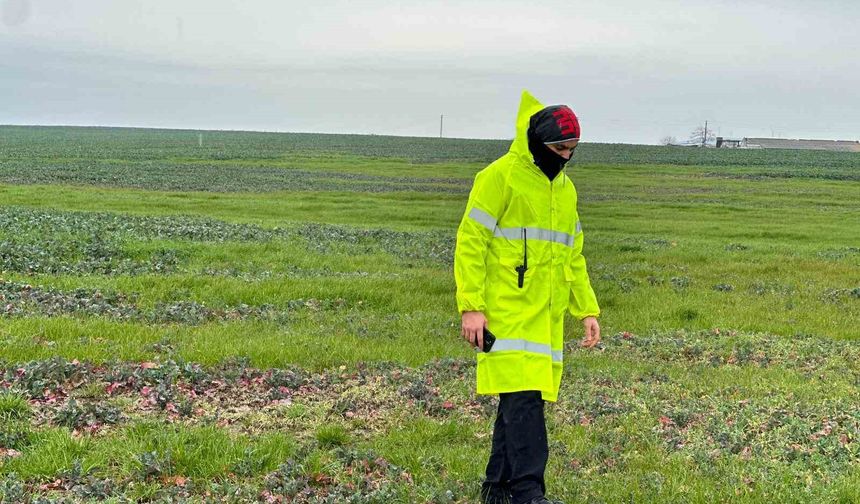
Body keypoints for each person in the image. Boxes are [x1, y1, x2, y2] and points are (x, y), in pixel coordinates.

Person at [454, 90, 601, 504]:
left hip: (544, 320)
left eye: (573, 150)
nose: (566, 157)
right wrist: (471, 307)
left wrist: (586, 309)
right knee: (525, 406)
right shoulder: (498, 177)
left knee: (519, 401)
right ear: (537, 141)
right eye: (559, 148)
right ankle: (528, 493)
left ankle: (496, 489)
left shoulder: (565, 191)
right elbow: (470, 242)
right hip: (504, 316)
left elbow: (572, 254)